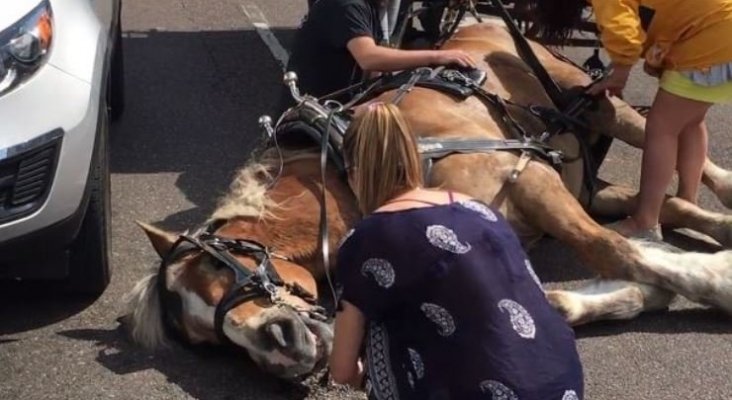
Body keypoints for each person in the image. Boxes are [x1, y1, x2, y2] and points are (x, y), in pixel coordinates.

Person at [329, 102, 584, 399]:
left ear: (355, 173)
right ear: (413, 157)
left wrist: (368, 377)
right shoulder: (476, 208)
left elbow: (342, 371)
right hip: (562, 382)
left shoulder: (364, 240)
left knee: (377, 322)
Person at [533, 0, 732, 240]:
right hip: (721, 30)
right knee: (691, 120)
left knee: (661, 130)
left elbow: (623, 30)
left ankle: (645, 222)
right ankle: (687, 200)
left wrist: (619, 75)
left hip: (710, 43)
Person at [283, 0, 475, 105]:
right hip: (315, 110)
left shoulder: (368, 8)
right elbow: (369, 57)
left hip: (338, 103)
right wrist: (435, 57)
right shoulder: (347, 6)